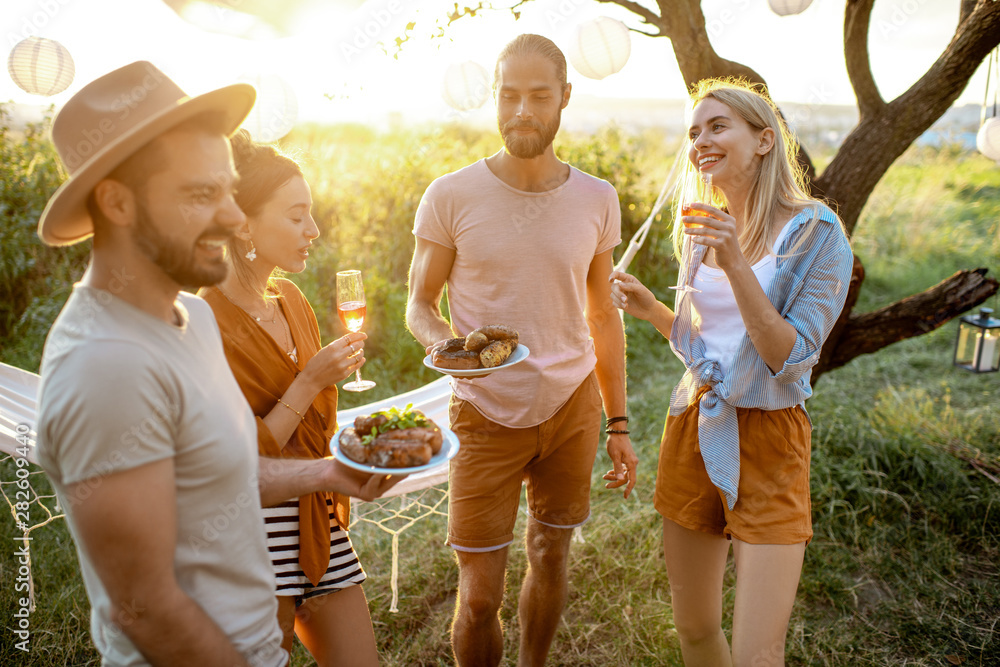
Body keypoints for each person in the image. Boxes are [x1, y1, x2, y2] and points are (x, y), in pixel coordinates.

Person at [33, 61, 401, 667]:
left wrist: (323, 476)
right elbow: (145, 607)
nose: (232, 219)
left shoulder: (191, 319)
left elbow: (223, 474)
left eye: (229, 191)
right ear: (117, 202)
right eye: (202, 195)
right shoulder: (103, 366)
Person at [405, 33, 639, 667]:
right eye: (509, 96)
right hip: (484, 412)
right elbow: (419, 305)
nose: (522, 111)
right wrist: (448, 347)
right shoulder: (451, 195)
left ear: (565, 97)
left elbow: (601, 316)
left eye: (539, 96)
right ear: (495, 98)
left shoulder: (596, 198)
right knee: (480, 598)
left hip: (571, 408)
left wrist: (617, 422)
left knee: (551, 553)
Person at [610, 78, 854, 666]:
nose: (701, 141)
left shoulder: (817, 234)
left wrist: (738, 263)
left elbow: (787, 355)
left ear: (764, 140)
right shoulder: (705, 229)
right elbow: (708, 350)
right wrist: (653, 312)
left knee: (757, 655)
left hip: (770, 441)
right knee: (693, 629)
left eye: (718, 126)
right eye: (694, 132)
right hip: (694, 424)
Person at [199, 130, 377, 666]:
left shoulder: (292, 300)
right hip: (252, 535)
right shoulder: (203, 319)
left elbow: (316, 426)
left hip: (318, 518)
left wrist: (332, 389)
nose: (314, 230)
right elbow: (238, 459)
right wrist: (308, 381)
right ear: (244, 223)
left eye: (312, 214)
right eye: (297, 216)